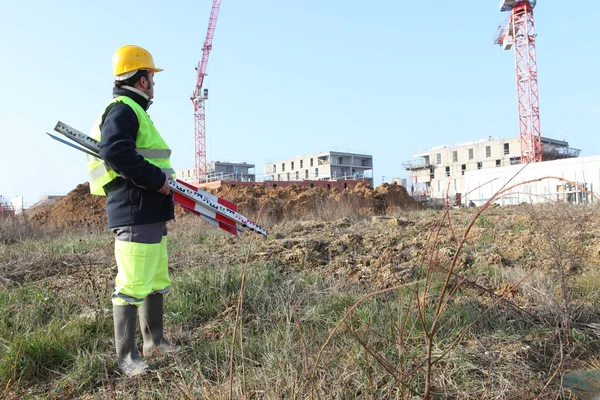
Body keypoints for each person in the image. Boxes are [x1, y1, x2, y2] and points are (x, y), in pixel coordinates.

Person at [86, 45, 179, 377]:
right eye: (152, 76)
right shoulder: (123, 110)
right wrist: (156, 180)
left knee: (154, 280)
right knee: (132, 284)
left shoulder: (133, 111)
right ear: (142, 80)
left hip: (149, 212)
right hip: (135, 210)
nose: (154, 83)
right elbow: (115, 152)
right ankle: (127, 358)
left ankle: (155, 342)